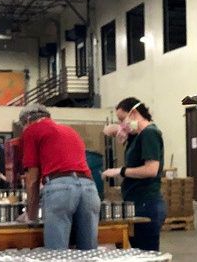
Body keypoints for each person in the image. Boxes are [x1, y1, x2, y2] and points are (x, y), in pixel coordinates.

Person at [19, 103, 100, 250]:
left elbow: (32, 179)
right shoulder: (70, 131)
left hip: (61, 190)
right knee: (89, 255)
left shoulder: (32, 130)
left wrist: (30, 216)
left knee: (57, 257)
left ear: (28, 120)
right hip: (89, 189)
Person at [103, 98, 166, 250]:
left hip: (146, 202)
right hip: (136, 201)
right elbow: (107, 130)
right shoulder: (136, 135)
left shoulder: (149, 134)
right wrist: (119, 129)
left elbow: (151, 170)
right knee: (137, 251)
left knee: (147, 254)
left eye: (122, 119)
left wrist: (120, 171)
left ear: (134, 113)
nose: (122, 123)